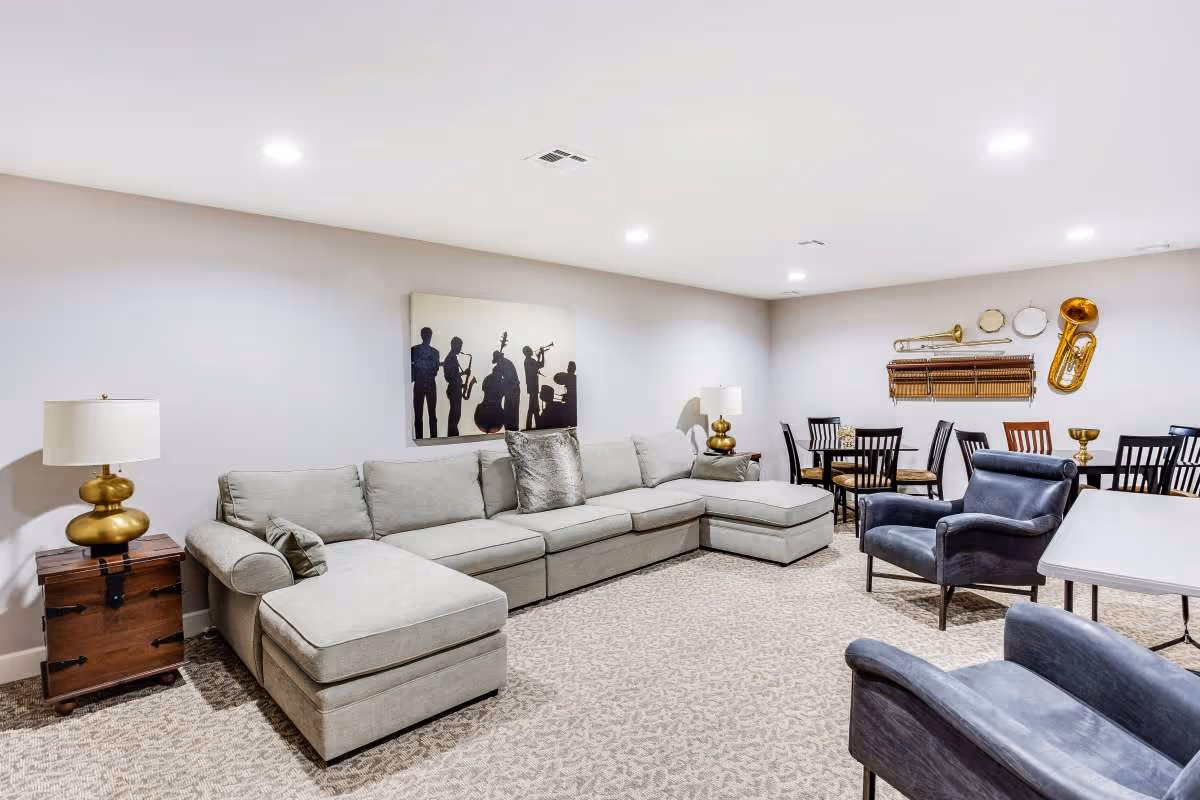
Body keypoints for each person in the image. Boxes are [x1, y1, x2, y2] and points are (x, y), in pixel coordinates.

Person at [411, 326, 439, 439]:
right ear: (424, 336)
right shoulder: (416, 350)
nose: (428, 337)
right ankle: (423, 439)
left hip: (425, 383)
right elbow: (435, 368)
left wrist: (419, 368)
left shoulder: (415, 350)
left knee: (429, 414)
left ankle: (430, 439)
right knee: (421, 415)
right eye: (427, 335)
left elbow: (435, 368)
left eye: (428, 335)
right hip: (424, 383)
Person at [491, 349, 520, 431]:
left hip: (513, 390)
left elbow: (509, 379)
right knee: (508, 413)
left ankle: (512, 431)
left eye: (497, 361)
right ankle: (509, 430)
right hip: (510, 391)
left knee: (512, 413)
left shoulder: (506, 363)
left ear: (499, 358)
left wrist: (499, 385)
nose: (497, 363)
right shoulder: (501, 364)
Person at [443, 336, 465, 437]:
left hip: (455, 388)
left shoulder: (452, 357)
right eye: (459, 346)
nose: (460, 349)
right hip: (454, 389)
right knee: (455, 415)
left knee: (456, 415)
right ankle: (452, 436)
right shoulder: (450, 358)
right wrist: (463, 374)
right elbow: (449, 376)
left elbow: (453, 375)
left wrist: (461, 382)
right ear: (454, 345)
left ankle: (453, 435)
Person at [522, 345, 545, 430]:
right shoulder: (529, 361)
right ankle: (533, 425)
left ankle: (536, 424)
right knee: (533, 407)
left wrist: (540, 357)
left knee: (534, 407)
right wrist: (542, 354)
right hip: (533, 386)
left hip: (532, 386)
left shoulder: (528, 361)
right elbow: (541, 365)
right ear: (528, 352)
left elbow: (538, 366)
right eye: (529, 350)